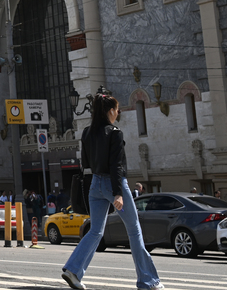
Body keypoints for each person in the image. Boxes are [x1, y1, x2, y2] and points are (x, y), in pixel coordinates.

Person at [61, 94, 164, 290]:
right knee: (134, 231)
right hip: (113, 184)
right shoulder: (115, 133)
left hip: (95, 184)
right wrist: (117, 193)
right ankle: (147, 280)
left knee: (95, 231)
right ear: (110, 111)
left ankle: (73, 270)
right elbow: (117, 165)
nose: (118, 113)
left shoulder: (87, 133)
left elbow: (86, 163)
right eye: (117, 109)